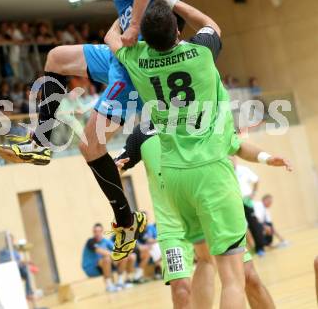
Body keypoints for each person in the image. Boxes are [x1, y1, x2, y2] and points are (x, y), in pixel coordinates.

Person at [0, 0, 168, 260]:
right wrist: (122, 27)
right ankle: (41, 144)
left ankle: (126, 221)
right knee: (56, 58)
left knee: (90, 145)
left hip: (135, 64)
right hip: (121, 55)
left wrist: (132, 28)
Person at [106, 0, 250, 308]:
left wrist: (130, 10)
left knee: (204, 261)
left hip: (175, 178)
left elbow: (110, 38)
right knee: (232, 276)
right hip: (210, 169)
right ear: (177, 31)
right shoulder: (200, 52)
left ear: (145, 36)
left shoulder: (137, 59)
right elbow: (212, 25)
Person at [116, 122, 291, 309]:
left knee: (250, 278)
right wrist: (122, 206)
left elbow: (235, 144)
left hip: (210, 215)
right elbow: (116, 167)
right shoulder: (143, 132)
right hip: (172, 226)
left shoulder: (199, 115)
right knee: (181, 290)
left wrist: (266, 158)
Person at [82, 223, 135, 292]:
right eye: (95, 231)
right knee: (107, 258)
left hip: (105, 265)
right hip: (92, 268)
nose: (97, 233)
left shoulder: (106, 241)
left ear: (102, 232)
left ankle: (120, 281)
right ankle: (109, 286)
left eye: (99, 231)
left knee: (126, 257)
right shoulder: (90, 242)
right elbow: (100, 251)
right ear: (93, 232)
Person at [232, 157, 266, 256]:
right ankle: (246, 250)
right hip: (234, 203)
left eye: (232, 158)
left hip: (246, 201)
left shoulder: (243, 170)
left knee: (254, 224)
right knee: (240, 227)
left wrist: (253, 193)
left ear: (235, 159)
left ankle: (260, 248)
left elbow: (256, 180)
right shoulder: (225, 173)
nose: (230, 161)